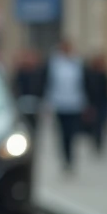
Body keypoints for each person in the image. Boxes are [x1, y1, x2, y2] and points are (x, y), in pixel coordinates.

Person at [43, 38, 88, 174]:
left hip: (75, 104)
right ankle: (65, 158)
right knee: (62, 134)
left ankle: (71, 158)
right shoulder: (54, 63)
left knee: (72, 134)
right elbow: (48, 83)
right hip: (59, 104)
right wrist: (47, 103)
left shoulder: (78, 62)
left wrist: (86, 103)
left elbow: (84, 83)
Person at [11, 47, 45, 135]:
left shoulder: (38, 72)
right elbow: (16, 87)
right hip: (23, 103)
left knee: (34, 128)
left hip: (35, 104)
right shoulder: (21, 72)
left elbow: (41, 87)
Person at [84, 53, 107, 154]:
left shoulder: (104, 74)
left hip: (102, 103)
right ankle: (95, 141)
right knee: (95, 124)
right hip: (93, 103)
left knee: (101, 123)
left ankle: (99, 142)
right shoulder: (89, 74)